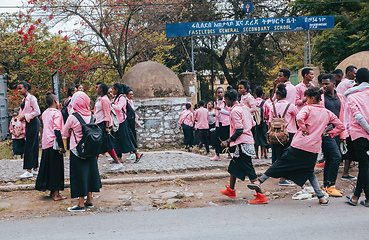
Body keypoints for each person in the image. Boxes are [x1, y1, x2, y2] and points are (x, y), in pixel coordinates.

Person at [248, 87, 345, 205]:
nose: (306, 101)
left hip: (299, 144)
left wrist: (303, 128)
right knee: (309, 171)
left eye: (307, 98)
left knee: (280, 162)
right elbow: (341, 126)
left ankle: (259, 182)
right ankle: (321, 197)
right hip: (314, 148)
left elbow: (299, 117)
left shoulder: (308, 109)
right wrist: (328, 133)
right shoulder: (327, 113)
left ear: (312, 98)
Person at [219, 89, 266, 204]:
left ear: (228, 99)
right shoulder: (245, 108)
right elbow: (253, 125)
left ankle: (261, 195)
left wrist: (228, 141)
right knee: (234, 165)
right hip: (246, 140)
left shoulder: (235, 111)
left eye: (225, 99)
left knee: (249, 169)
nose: (224, 101)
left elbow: (239, 130)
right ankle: (231, 189)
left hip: (242, 143)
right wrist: (252, 138)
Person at [63, 92, 102, 212]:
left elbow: (65, 133)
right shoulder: (91, 115)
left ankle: (80, 204)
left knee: (79, 176)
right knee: (90, 174)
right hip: (91, 149)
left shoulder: (73, 117)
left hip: (77, 150)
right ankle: (89, 201)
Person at [320, 74, 348, 197]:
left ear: (334, 84)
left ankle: (326, 185)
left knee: (330, 159)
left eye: (327, 83)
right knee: (337, 157)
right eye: (323, 83)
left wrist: (343, 136)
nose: (324, 86)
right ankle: (331, 185)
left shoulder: (341, 98)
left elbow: (343, 117)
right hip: (326, 133)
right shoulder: (320, 98)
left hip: (337, 133)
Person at [344, 68, 369, 206]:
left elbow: (358, 116)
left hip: (359, 134)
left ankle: (367, 198)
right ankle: (355, 196)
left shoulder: (351, 96)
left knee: (364, 166)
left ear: (356, 80)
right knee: (365, 166)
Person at [35, 93, 66, 201]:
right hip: (54, 142)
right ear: (54, 102)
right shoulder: (56, 113)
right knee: (57, 168)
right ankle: (57, 194)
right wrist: (61, 145)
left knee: (49, 166)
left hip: (46, 142)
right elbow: (57, 129)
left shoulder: (44, 113)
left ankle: (51, 191)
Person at [269, 83, 298, 186]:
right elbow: (298, 117)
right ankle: (283, 179)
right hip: (288, 133)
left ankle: (281, 176)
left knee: (278, 155)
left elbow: (270, 122)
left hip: (276, 134)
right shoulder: (291, 106)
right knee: (288, 155)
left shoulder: (273, 106)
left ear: (277, 96)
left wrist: (269, 135)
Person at [111, 83, 143, 163]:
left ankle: (136, 152)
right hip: (117, 122)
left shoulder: (122, 98)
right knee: (117, 140)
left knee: (126, 139)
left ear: (117, 90)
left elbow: (118, 108)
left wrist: (111, 105)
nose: (112, 91)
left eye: (113, 89)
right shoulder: (116, 98)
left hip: (122, 121)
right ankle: (119, 157)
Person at [94, 83, 122, 171]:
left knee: (106, 145)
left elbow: (107, 113)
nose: (96, 89)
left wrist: (106, 127)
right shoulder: (100, 99)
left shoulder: (105, 100)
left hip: (103, 124)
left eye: (97, 88)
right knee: (100, 145)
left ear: (101, 89)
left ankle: (118, 163)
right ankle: (94, 165)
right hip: (98, 123)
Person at [17, 81, 41, 179]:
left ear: (26, 88)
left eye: (20, 88)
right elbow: (21, 112)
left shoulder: (32, 98)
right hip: (28, 122)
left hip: (33, 122)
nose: (18, 91)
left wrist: (26, 116)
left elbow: (37, 111)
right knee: (34, 146)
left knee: (29, 146)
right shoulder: (24, 100)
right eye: (18, 88)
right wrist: (20, 118)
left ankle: (28, 170)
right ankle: (35, 168)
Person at [211, 87, 232, 161]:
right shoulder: (215, 102)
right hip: (218, 123)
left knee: (227, 138)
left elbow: (230, 112)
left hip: (226, 123)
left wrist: (221, 110)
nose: (220, 94)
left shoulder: (226, 102)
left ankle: (229, 154)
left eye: (221, 92)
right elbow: (217, 111)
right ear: (216, 93)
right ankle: (217, 155)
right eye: (218, 92)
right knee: (216, 139)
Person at [254, 86, 268, 159]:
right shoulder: (264, 102)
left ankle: (256, 155)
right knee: (263, 137)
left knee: (256, 137)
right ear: (262, 95)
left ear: (255, 95)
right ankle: (262, 155)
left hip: (254, 122)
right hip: (263, 122)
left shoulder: (253, 101)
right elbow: (267, 111)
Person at [126, 88, 138, 160]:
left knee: (132, 135)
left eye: (132, 94)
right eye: (130, 94)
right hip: (128, 120)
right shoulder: (126, 101)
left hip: (131, 120)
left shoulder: (130, 101)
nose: (131, 96)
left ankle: (132, 152)